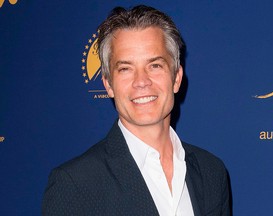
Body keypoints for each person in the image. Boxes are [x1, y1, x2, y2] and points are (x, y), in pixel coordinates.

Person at [42, 5, 231, 216]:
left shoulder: (211, 171)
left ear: (176, 78)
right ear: (108, 85)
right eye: (125, 69)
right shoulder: (75, 185)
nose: (141, 81)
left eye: (155, 65)